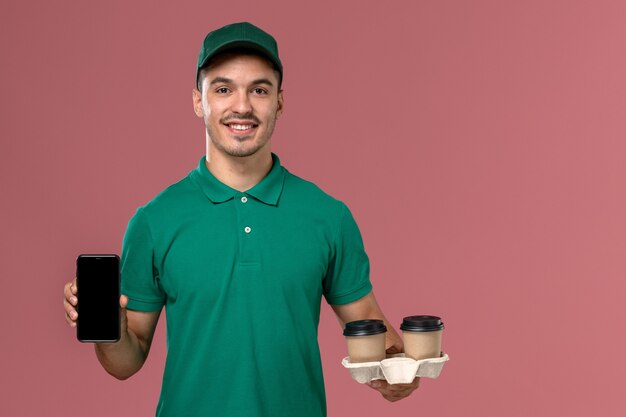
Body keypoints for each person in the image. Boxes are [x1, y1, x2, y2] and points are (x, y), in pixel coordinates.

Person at [64, 21, 419, 417]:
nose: (242, 106)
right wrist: (109, 330)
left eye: (259, 90)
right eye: (223, 88)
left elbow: (371, 327)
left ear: (279, 102)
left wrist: (397, 371)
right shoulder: (154, 220)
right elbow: (126, 363)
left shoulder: (328, 216)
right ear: (199, 101)